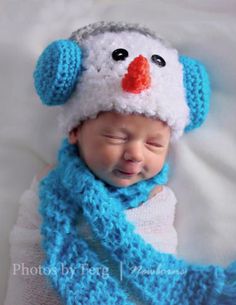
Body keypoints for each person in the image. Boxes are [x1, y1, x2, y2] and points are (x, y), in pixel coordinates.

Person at [4, 21, 235, 305]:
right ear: (75, 132)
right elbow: (29, 248)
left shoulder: (157, 200)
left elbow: (158, 258)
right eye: (115, 137)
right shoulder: (50, 184)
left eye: (154, 144)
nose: (135, 154)